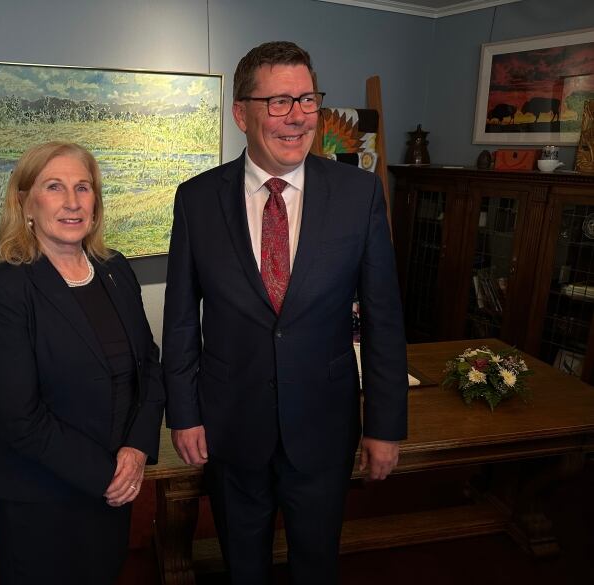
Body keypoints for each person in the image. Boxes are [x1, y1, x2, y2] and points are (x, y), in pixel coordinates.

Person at [162, 41, 408, 584]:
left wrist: (386, 424)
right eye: (277, 102)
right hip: (230, 424)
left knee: (316, 562)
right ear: (241, 113)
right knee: (241, 564)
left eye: (306, 99)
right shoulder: (196, 200)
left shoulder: (359, 194)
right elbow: (180, 318)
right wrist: (184, 411)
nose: (296, 116)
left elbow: (384, 317)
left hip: (324, 423)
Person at [0, 141, 164, 585]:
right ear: (25, 202)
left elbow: (148, 366)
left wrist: (135, 452)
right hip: (44, 495)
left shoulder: (116, 270)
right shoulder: (1, 291)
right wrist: (106, 477)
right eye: (54, 187)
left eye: (83, 187)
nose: (73, 202)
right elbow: (18, 416)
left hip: (116, 480)